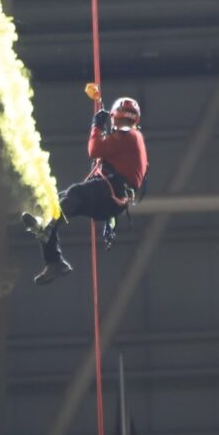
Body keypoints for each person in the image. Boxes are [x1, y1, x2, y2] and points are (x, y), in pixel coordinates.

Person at [22, 84, 146, 285]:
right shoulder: (127, 140)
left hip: (110, 193)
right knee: (52, 203)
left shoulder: (129, 135)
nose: (123, 121)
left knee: (75, 192)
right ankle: (54, 261)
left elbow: (94, 149)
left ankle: (48, 226)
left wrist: (96, 126)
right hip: (109, 199)